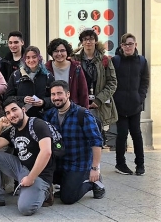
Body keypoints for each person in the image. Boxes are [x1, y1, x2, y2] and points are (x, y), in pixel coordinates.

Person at [0, 97, 55, 216]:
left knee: (25, 208)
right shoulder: (13, 130)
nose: (12, 115)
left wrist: (31, 178)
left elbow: (46, 152)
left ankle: (46, 192)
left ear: (23, 109)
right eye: (8, 113)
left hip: (39, 175)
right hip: (21, 168)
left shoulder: (38, 124)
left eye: (14, 110)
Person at [44, 80, 105, 204]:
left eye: (59, 93)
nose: (56, 98)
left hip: (79, 163)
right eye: (53, 94)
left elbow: (97, 142)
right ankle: (70, 185)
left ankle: (93, 182)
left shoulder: (82, 114)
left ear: (68, 94)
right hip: (60, 162)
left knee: (67, 198)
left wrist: (95, 168)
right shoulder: (50, 115)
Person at [112, 33, 150, 175]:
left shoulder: (141, 61)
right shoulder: (115, 61)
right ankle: (120, 164)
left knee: (136, 135)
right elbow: (111, 81)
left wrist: (140, 98)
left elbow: (145, 81)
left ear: (135, 45)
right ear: (121, 46)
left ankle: (140, 165)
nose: (128, 47)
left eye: (130, 44)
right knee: (121, 135)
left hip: (135, 105)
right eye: (125, 44)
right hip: (119, 105)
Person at [71, 28, 118, 131]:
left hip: (98, 105)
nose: (88, 42)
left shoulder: (104, 60)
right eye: (85, 39)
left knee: (96, 135)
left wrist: (99, 100)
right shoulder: (74, 59)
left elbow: (112, 83)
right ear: (82, 42)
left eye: (91, 39)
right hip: (79, 103)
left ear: (95, 41)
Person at [5, 46, 55, 118]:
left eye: (34, 57)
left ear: (39, 58)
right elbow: (7, 98)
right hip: (22, 117)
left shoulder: (47, 75)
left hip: (43, 117)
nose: (31, 60)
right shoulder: (16, 75)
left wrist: (43, 102)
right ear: (24, 59)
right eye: (28, 57)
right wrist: (23, 99)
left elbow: (54, 98)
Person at [45, 38, 89, 108]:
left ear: (67, 52)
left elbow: (83, 92)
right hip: (52, 110)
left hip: (73, 109)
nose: (59, 54)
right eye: (56, 51)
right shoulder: (46, 69)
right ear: (51, 53)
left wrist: (85, 112)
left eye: (62, 51)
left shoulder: (76, 67)